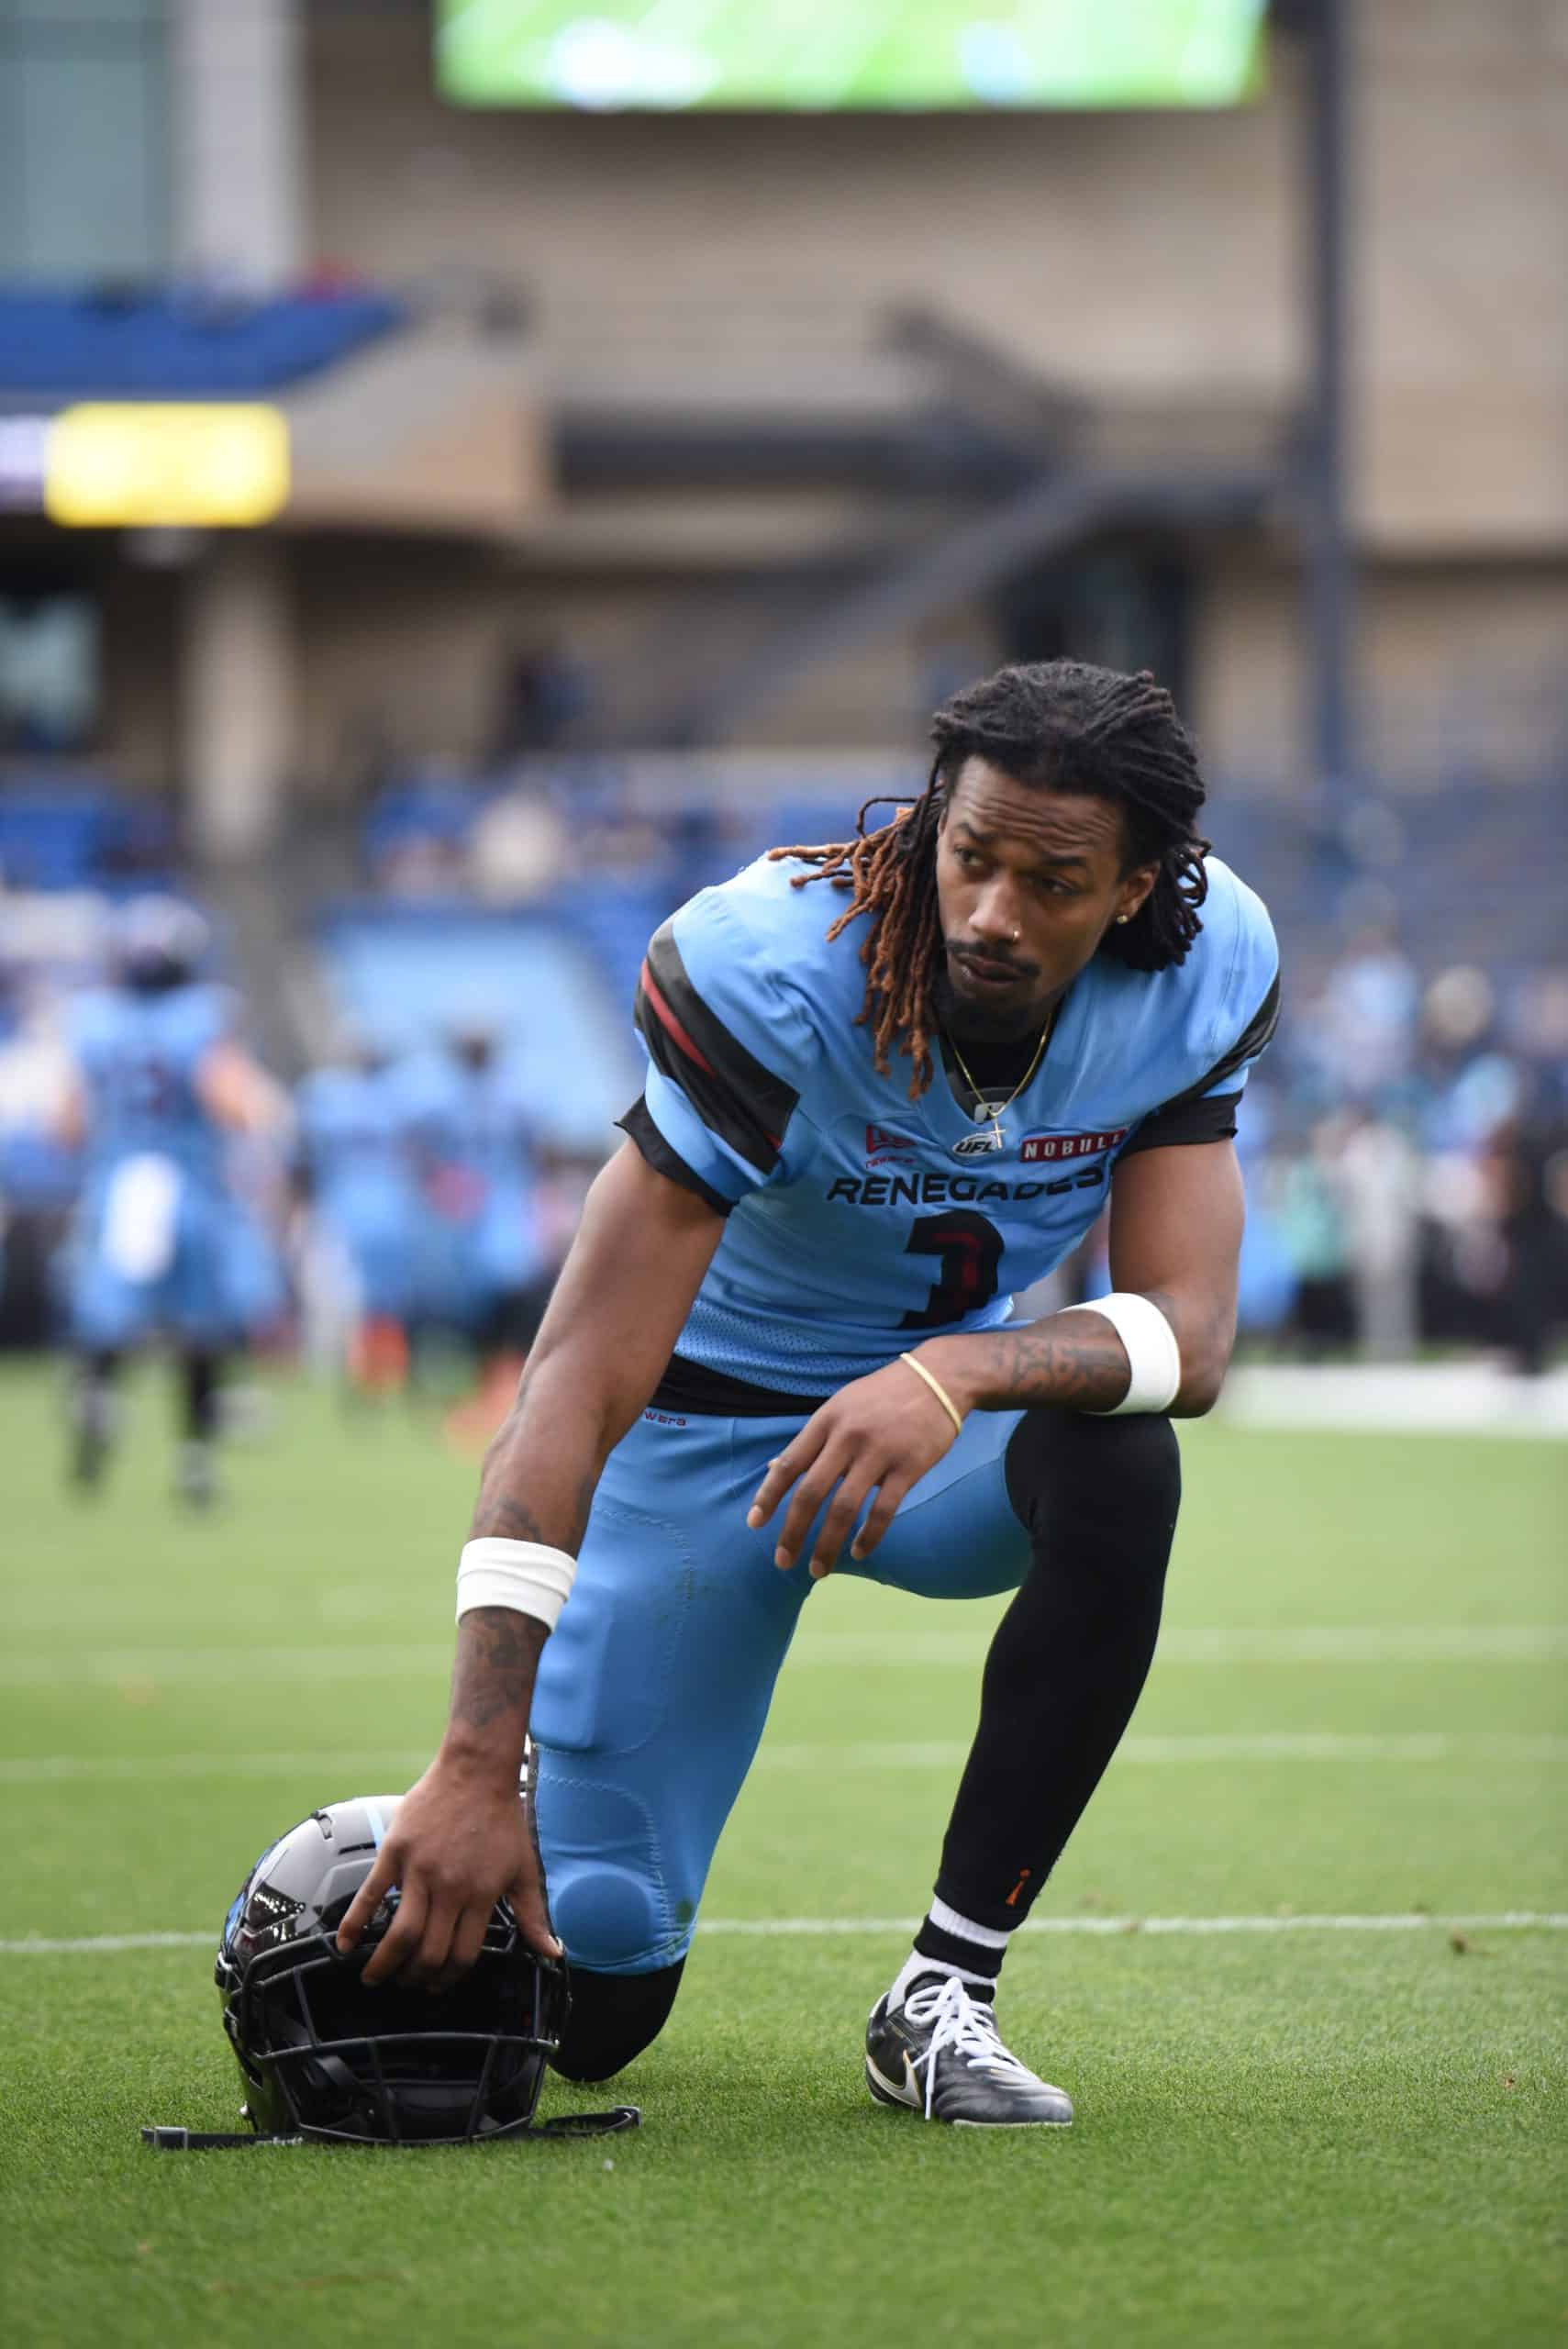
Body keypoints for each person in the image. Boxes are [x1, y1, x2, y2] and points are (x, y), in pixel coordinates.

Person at [339, 661, 1280, 2128]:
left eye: (1053, 880)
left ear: (1136, 887)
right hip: (692, 1439)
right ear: (926, 830)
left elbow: (1191, 1334)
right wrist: (474, 1755)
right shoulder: (775, 968)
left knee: (1116, 1464)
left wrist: (956, 1368)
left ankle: (944, 1991)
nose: (991, 913)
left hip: (920, 1433)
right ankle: (360, 1861)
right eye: (970, 857)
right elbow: (576, 1380)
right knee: (582, 2007)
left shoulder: (1199, 966)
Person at [59, 896, 287, 1506]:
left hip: (119, 1184)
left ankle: (96, 1408)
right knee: (199, 1325)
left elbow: (68, 1124)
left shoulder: (94, 1019)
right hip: (187, 1183)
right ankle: (194, 1460)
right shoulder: (202, 1016)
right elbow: (231, 1102)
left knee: (108, 1318)